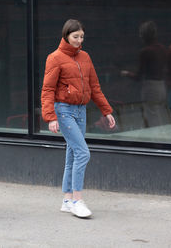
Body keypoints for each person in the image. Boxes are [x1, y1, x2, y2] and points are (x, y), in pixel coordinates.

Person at [41, 19, 115, 218]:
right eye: (75, 37)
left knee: (73, 154)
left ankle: (66, 199)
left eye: (82, 36)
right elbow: (47, 89)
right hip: (63, 110)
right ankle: (77, 200)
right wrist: (50, 117)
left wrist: (106, 110)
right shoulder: (54, 58)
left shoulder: (85, 57)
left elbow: (95, 87)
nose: (79, 40)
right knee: (83, 153)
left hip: (81, 111)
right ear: (66, 36)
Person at [121, 21, 170, 127]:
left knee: (153, 116)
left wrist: (126, 73)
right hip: (162, 86)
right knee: (160, 114)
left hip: (151, 88)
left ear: (143, 35)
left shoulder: (145, 51)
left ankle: (157, 141)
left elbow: (139, 76)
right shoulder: (162, 49)